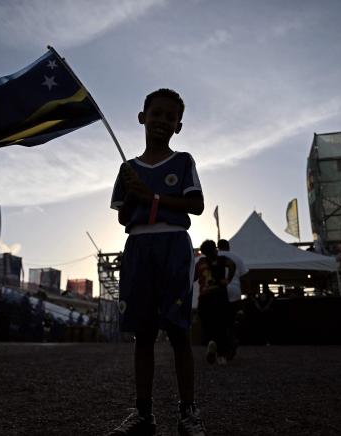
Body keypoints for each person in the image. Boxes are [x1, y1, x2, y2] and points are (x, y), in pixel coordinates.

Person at [108, 89, 206, 436]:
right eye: (156, 114)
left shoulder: (183, 161)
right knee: (144, 334)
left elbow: (196, 206)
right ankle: (144, 414)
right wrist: (136, 195)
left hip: (173, 245)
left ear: (178, 125)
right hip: (138, 247)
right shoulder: (127, 168)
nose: (162, 121)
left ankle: (188, 413)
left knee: (179, 331)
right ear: (142, 117)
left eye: (170, 117)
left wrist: (154, 197)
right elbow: (123, 220)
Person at [195, 240, 235, 365]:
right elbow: (232, 265)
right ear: (215, 249)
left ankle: (211, 342)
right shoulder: (222, 259)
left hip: (204, 297)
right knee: (222, 325)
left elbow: (194, 277)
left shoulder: (201, 262)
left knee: (207, 324)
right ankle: (221, 354)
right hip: (219, 296)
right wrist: (227, 279)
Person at [216, 239, 248, 360]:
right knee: (233, 320)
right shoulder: (237, 257)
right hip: (235, 291)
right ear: (228, 246)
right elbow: (245, 276)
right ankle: (232, 342)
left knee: (220, 321)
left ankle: (222, 347)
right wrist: (245, 293)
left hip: (218, 291)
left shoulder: (214, 256)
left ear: (218, 247)